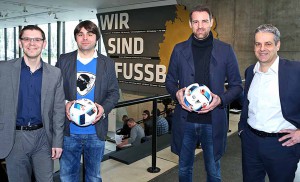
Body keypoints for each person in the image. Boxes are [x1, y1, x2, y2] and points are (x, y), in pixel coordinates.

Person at [165, 5, 242, 182]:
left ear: (211, 22)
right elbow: (169, 81)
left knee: (213, 172)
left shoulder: (226, 50)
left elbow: (237, 86)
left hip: (213, 121)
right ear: (191, 24)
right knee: (184, 169)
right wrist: (176, 93)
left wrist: (220, 100)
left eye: (205, 21)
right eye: (196, 22)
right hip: (186, 120)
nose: (200, 26)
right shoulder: (179, 49)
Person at [56, 20, 119, 182]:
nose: (85, 38)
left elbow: (113, 93)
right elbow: (54, 90)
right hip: (69, 132)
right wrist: (65, 104)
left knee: (93, 176)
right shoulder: (64, 60)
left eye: (90, 34)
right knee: (67, 176)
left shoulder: (107, 63)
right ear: (76, 38)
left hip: (95, 132)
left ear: (96, 38)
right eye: (80, 34)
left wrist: (103, 109)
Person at [0, 25, 65, 182]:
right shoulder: (4, 69)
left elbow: (58, 110)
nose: (32, 43)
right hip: (14, 137)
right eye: (27, 39)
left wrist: (57, 142)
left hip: (43, 137)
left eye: (37, 39)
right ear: (20, 43)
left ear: (44, 43)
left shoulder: (55, 73)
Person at [238, 24, 300, 182]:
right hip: (251, 143)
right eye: (258, 44)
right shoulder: (251, 71)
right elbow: (248, 105)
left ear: (278, 45)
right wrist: (242, 132)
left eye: (268, 44)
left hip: (282, 145)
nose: (262, 48)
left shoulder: (295, 71)